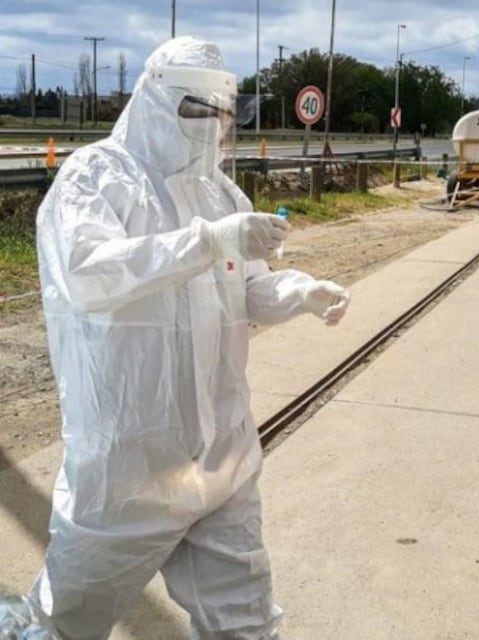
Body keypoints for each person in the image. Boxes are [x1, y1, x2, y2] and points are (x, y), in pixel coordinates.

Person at [19, 36, 351, 640]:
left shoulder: (221, 193)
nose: (216, 128)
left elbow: (249, 289)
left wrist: (299, 291)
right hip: (126, 467)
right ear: (156, 102)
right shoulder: (97, 176)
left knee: (244, 621)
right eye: (200, 111)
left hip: (221, 461)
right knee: (64, 621)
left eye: (225, 115)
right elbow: (88, 274)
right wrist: (208, 242)